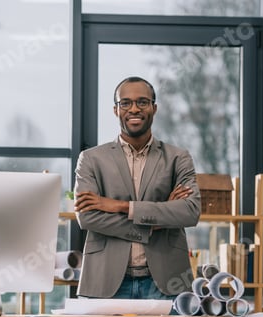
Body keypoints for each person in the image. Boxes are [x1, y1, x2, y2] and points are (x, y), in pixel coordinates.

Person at [73, 76, 201, 300]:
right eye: (126, 103)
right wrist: (155, 220)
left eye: (142, 102)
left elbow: (189, 212)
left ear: (154, 107)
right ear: (116, 110)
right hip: (106, 279)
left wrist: (120, 206)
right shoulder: (91, 159)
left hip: (166, 281)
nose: (134, 109)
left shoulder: (178, 157)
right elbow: (87, 217)